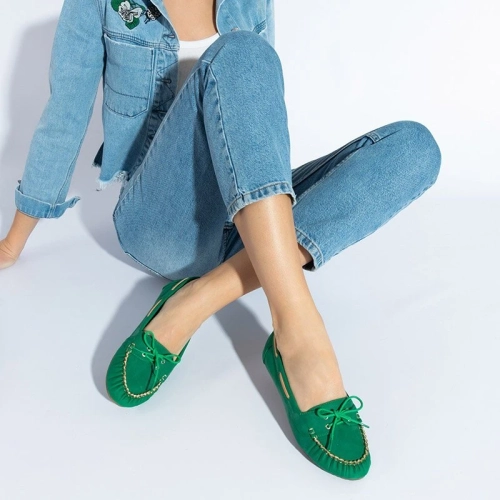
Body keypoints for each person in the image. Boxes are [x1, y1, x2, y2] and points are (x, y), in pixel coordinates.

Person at [0, 0, 441, 480]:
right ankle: (300, 334)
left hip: (244, 209)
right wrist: (14, 240)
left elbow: (258, 114)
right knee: (243, 52)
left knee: (416, 149)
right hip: (162, 225)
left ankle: (200, 296)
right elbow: (65, 115)